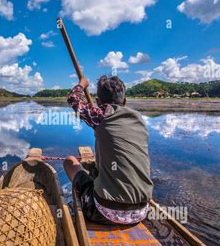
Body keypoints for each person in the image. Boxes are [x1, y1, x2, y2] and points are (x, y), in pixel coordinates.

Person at [63, 75, 153, 225]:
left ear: (98, 103)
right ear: (124, 102)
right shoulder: (139, 120)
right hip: (142, 211)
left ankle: (87, 200)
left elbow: (73, 99)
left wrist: (82, 84)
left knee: (69, 162)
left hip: (104, 211)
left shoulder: (100, 114)